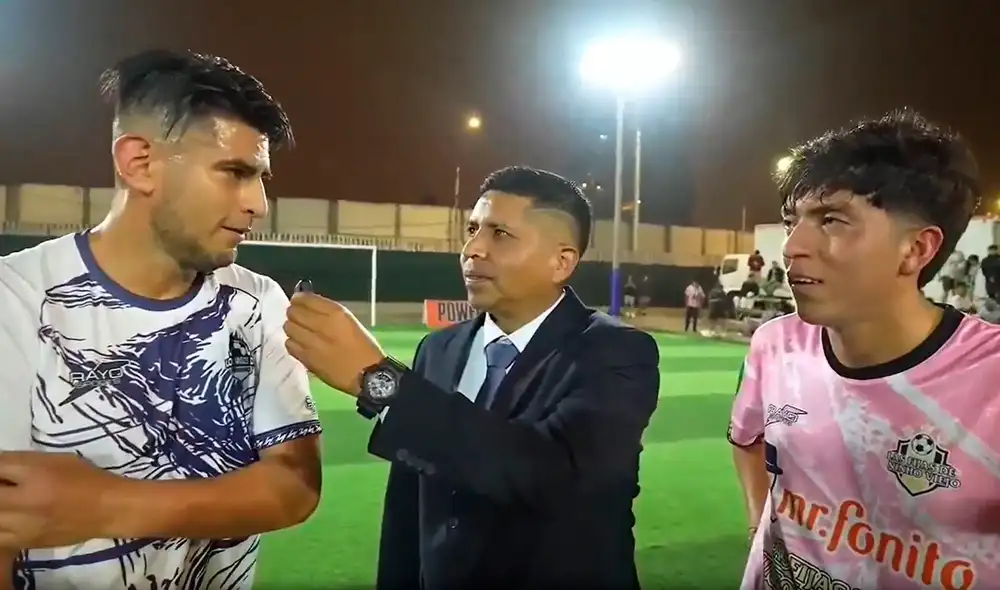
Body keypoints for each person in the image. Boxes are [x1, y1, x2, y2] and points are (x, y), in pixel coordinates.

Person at [0, 50, 322, 589]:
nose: (259, 204)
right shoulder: (16, 298)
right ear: (139, 163)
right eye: (235, 173)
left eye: (261, 177)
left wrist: (109, 504)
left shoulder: (256, 301)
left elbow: (294, 488)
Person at [283, 166, 660, 589]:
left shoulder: (616, 353)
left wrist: (379, 380)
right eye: (472, 229)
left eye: (500, 234)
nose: (472, 249)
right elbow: (409, 512)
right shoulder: (439, 350)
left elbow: (554, 475)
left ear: (561, 261)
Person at [729, 110, 994, 590]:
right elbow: (746, 441)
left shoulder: (991, 377)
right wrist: (758, 525)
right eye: (793, 221)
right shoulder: (777, 343)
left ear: (916, 249)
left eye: (832, 220)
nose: (792, 246)